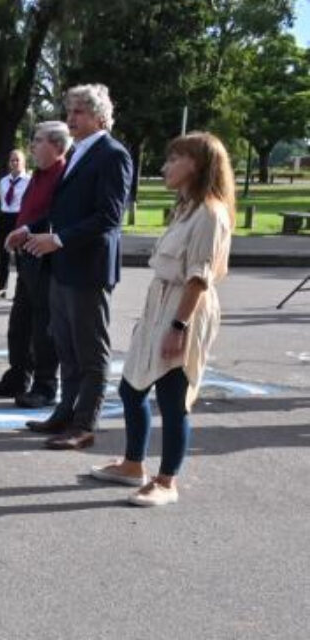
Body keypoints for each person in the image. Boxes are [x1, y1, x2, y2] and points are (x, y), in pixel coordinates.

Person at [89, 132, 234, 506]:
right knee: (131, 386)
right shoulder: (186, 207)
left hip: (186, 307)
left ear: (197, 164)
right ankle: (133, 464)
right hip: (161, 302)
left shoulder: (210, 213)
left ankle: (167, 480)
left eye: (174, 159)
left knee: (173, 395)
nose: (165, 166)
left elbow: (199, 278)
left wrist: (179, 326)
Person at [14, 83, 132, 450]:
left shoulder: (113, 154)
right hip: (64, 267)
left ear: (99, 116)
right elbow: (63, 209)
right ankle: (64, 413)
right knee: (65, 346)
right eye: (70, 112)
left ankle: (84, 424)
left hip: (88, 268)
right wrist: (29, 229)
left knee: (90, 351)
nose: (71, 119)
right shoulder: (81, 152)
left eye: (78, 112)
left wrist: (58, 240)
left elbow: (109, 216)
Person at [0, 122, 69, 408]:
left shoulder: (64, 174)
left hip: (46, 258)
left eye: (38, 140)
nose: (32, 146)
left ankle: (45, 385)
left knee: (43, 327)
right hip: (27, 257)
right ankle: (18, 375)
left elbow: (56, 215)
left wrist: (27, 230)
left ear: (57, 146)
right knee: (19, 323)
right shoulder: (39, 175)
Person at [0, 149, 30, 299]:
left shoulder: (28, 181)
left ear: (23, 163)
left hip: (20, 218)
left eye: (17, 160)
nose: (14, 163)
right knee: (4, 254)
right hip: (5, 217)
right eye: (12, 160)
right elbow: (2, 201)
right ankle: (1, 288)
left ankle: (21, 291)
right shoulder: (3, 181)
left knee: (21, 256)